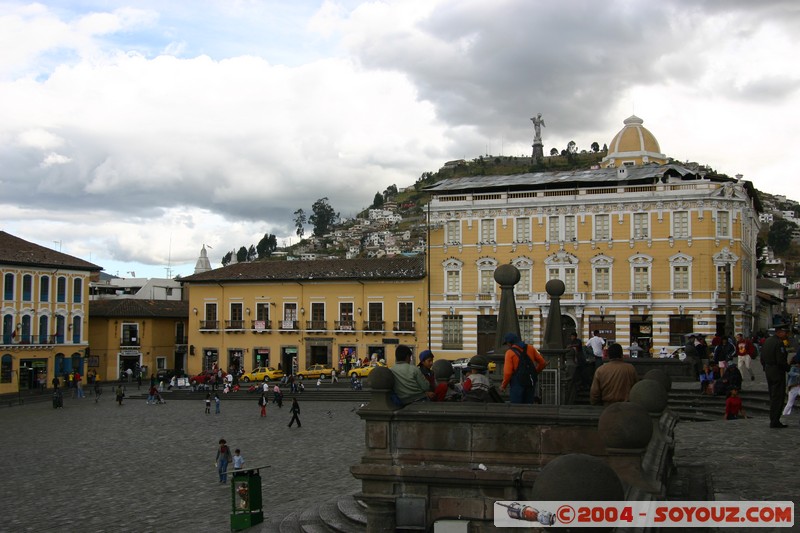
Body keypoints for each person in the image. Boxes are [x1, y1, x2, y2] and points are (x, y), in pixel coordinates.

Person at [501, 333, 546, 404]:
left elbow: (508, 373)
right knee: (528, 406)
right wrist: (536, 372)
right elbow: (543, 363)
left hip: (517, 384)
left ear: (509, 343)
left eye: (507, 343)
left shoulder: (509, 353)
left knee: (516, 407)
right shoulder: (531, 348)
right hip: (530, 382)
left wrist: (503, 386)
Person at [761, 322, 791, 428]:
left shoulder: (768, 341)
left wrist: (765, 367)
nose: (786, 334)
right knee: (778, 396)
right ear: (780, 332)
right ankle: (775, 421)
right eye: (785, 332)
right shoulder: (779, 343)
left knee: (772, 395)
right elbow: (781, 361)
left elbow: (762, 357)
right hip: (777, 372)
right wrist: (789, 369)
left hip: (769, 370)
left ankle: (773, 419)